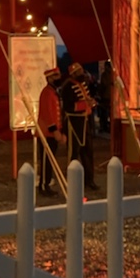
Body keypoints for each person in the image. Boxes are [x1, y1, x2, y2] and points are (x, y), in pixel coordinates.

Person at [60, 61, 98, 191]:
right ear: (74, 74)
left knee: (88, 152)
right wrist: (85, 104)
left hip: (85, 122)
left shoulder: (83, 84)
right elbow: (68, 106)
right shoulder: (67, 87)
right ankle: (72, 180)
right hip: (74, 123)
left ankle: (89, 180)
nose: (82, 73)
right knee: (73, 153)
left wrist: (91, 103)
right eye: (79, 72)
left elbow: (86, 99)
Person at [36, 67, 65, 195]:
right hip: (46, 133)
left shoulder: (53, 92)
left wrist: (60, 131)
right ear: (49, 79)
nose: (59, 78)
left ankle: (47, 183)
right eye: (56, 76)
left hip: (53, 132)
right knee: (46, 161)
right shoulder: (47, 93)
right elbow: (48, 114)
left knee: (50, 160)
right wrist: (55, 131)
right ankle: (43, 185)